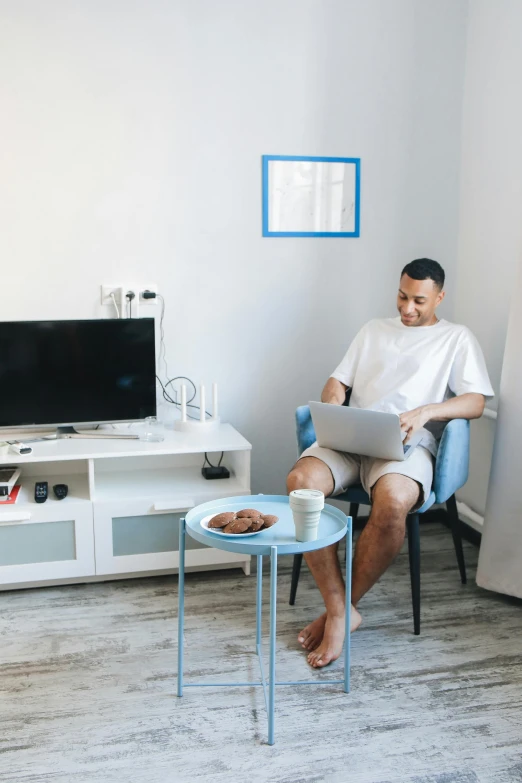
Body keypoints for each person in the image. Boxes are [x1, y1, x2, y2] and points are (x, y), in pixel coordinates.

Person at [286, 258, 494, 668]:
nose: (407, 308)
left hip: (406, 447)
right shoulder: (372, 331)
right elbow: (338, 379)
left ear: (439, 297)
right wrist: (334, 403)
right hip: (352, 440)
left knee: (394, 503)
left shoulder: (456, 338)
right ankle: (341, 610)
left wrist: (425, 413)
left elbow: (475, 402)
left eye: (419, 300)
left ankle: (339, 612)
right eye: (402, 296)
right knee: (299, 481)